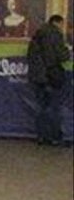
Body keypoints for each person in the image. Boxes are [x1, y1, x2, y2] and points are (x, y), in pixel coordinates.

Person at [27, 14, 71, 146]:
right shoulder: (55, 34)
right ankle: (55, 138)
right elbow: (61, 56)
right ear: (58, 23)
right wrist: (68, 50)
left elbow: (31, 56)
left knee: (41, 107)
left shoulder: (37, 35)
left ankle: (42, 137)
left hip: (37, 78)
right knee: (54, 107)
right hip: (51, 76)